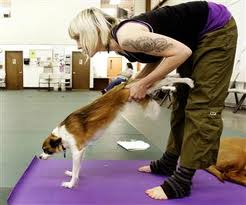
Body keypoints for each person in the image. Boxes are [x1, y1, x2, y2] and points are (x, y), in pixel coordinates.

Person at [68, 1, 237, 200]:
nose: (78, 45)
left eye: (78, 38)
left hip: (216, 28)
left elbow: (181, 52)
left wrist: (144, 83)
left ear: (93, 30)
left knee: (202, 106)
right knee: (182, 102)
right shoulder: (121, 46)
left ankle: (182, 181)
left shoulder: (127, 38)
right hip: (192, 38)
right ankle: (169, 162)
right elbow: (157, 57)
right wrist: (138, 82)